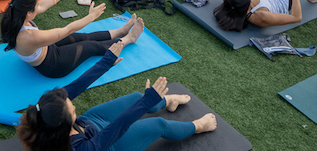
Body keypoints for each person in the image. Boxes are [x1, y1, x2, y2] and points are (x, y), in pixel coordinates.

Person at [15, 55, 214, 149]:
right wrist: (146, 102)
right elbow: (118, 127)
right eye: (71, 109)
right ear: (63, 125)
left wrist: (105, 62)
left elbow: (76, 86)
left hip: (89, 123)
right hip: (110, 145)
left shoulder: (47, 112)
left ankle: (166, 101)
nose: (72, 103)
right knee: (158, 124)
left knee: (137, 98)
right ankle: (197, 126)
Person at [0, 0, 144, 78]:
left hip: (46, 49)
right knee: (89, 46)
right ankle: (129, 38)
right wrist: (91, 17)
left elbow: (42, 5)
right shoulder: (29, 37)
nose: (39, 6)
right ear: (28, 12)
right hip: (53, 65)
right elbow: (67, 29)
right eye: (35, 6)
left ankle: (121, 31)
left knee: (83, 37)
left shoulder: (14, 13)